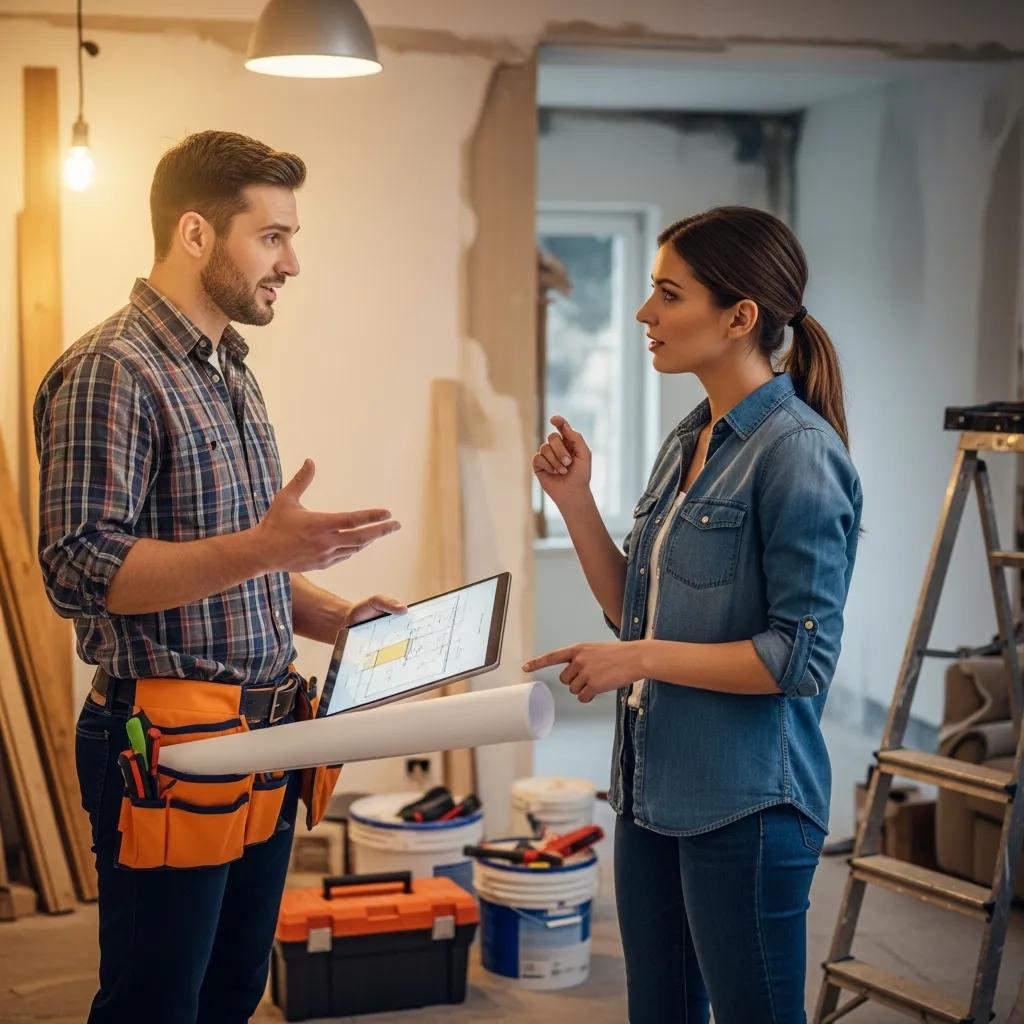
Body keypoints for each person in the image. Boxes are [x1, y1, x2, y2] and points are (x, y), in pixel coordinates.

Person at [35, 130, 406, 1024]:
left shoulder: (229, 371)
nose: (292, 262)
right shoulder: (113, 370)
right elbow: (78, 569)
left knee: (232, 994)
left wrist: (338, 617)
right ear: (196, 233)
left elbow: (239, 575)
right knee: (156, 1004)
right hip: (166, 746)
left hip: (265, 739)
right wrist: (267, 550)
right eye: (272, 236)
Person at [524, 206, 863, 1024]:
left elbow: (798, 661)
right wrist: (575, 505)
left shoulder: (799, 454)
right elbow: (633, 611)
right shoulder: (691, 439)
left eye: (668, 295)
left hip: (745, 806)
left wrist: (637, 662)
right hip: (650, 794)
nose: (645, 315)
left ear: (739, 317)